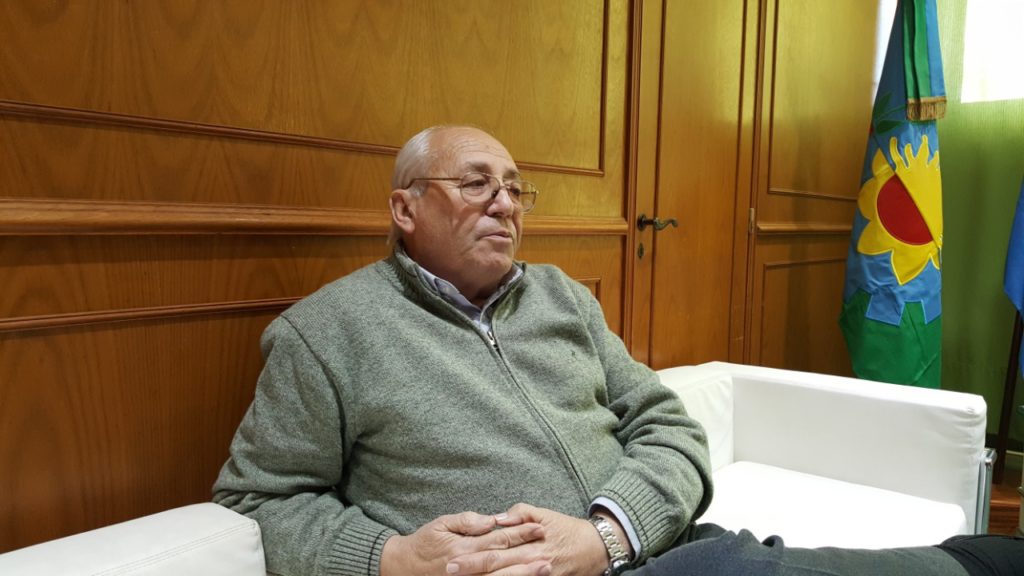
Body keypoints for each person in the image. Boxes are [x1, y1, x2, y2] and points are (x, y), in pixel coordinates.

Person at [214, 125, 1022, 576]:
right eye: (477, 183)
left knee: (977, 562)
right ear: (404, 208)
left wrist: (606, 534)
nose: (506, 204)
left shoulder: (561, 297)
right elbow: (260, 498)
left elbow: (669, 429)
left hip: (662, 552)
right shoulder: (327, 333)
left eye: (516, 188)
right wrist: (387, 556)